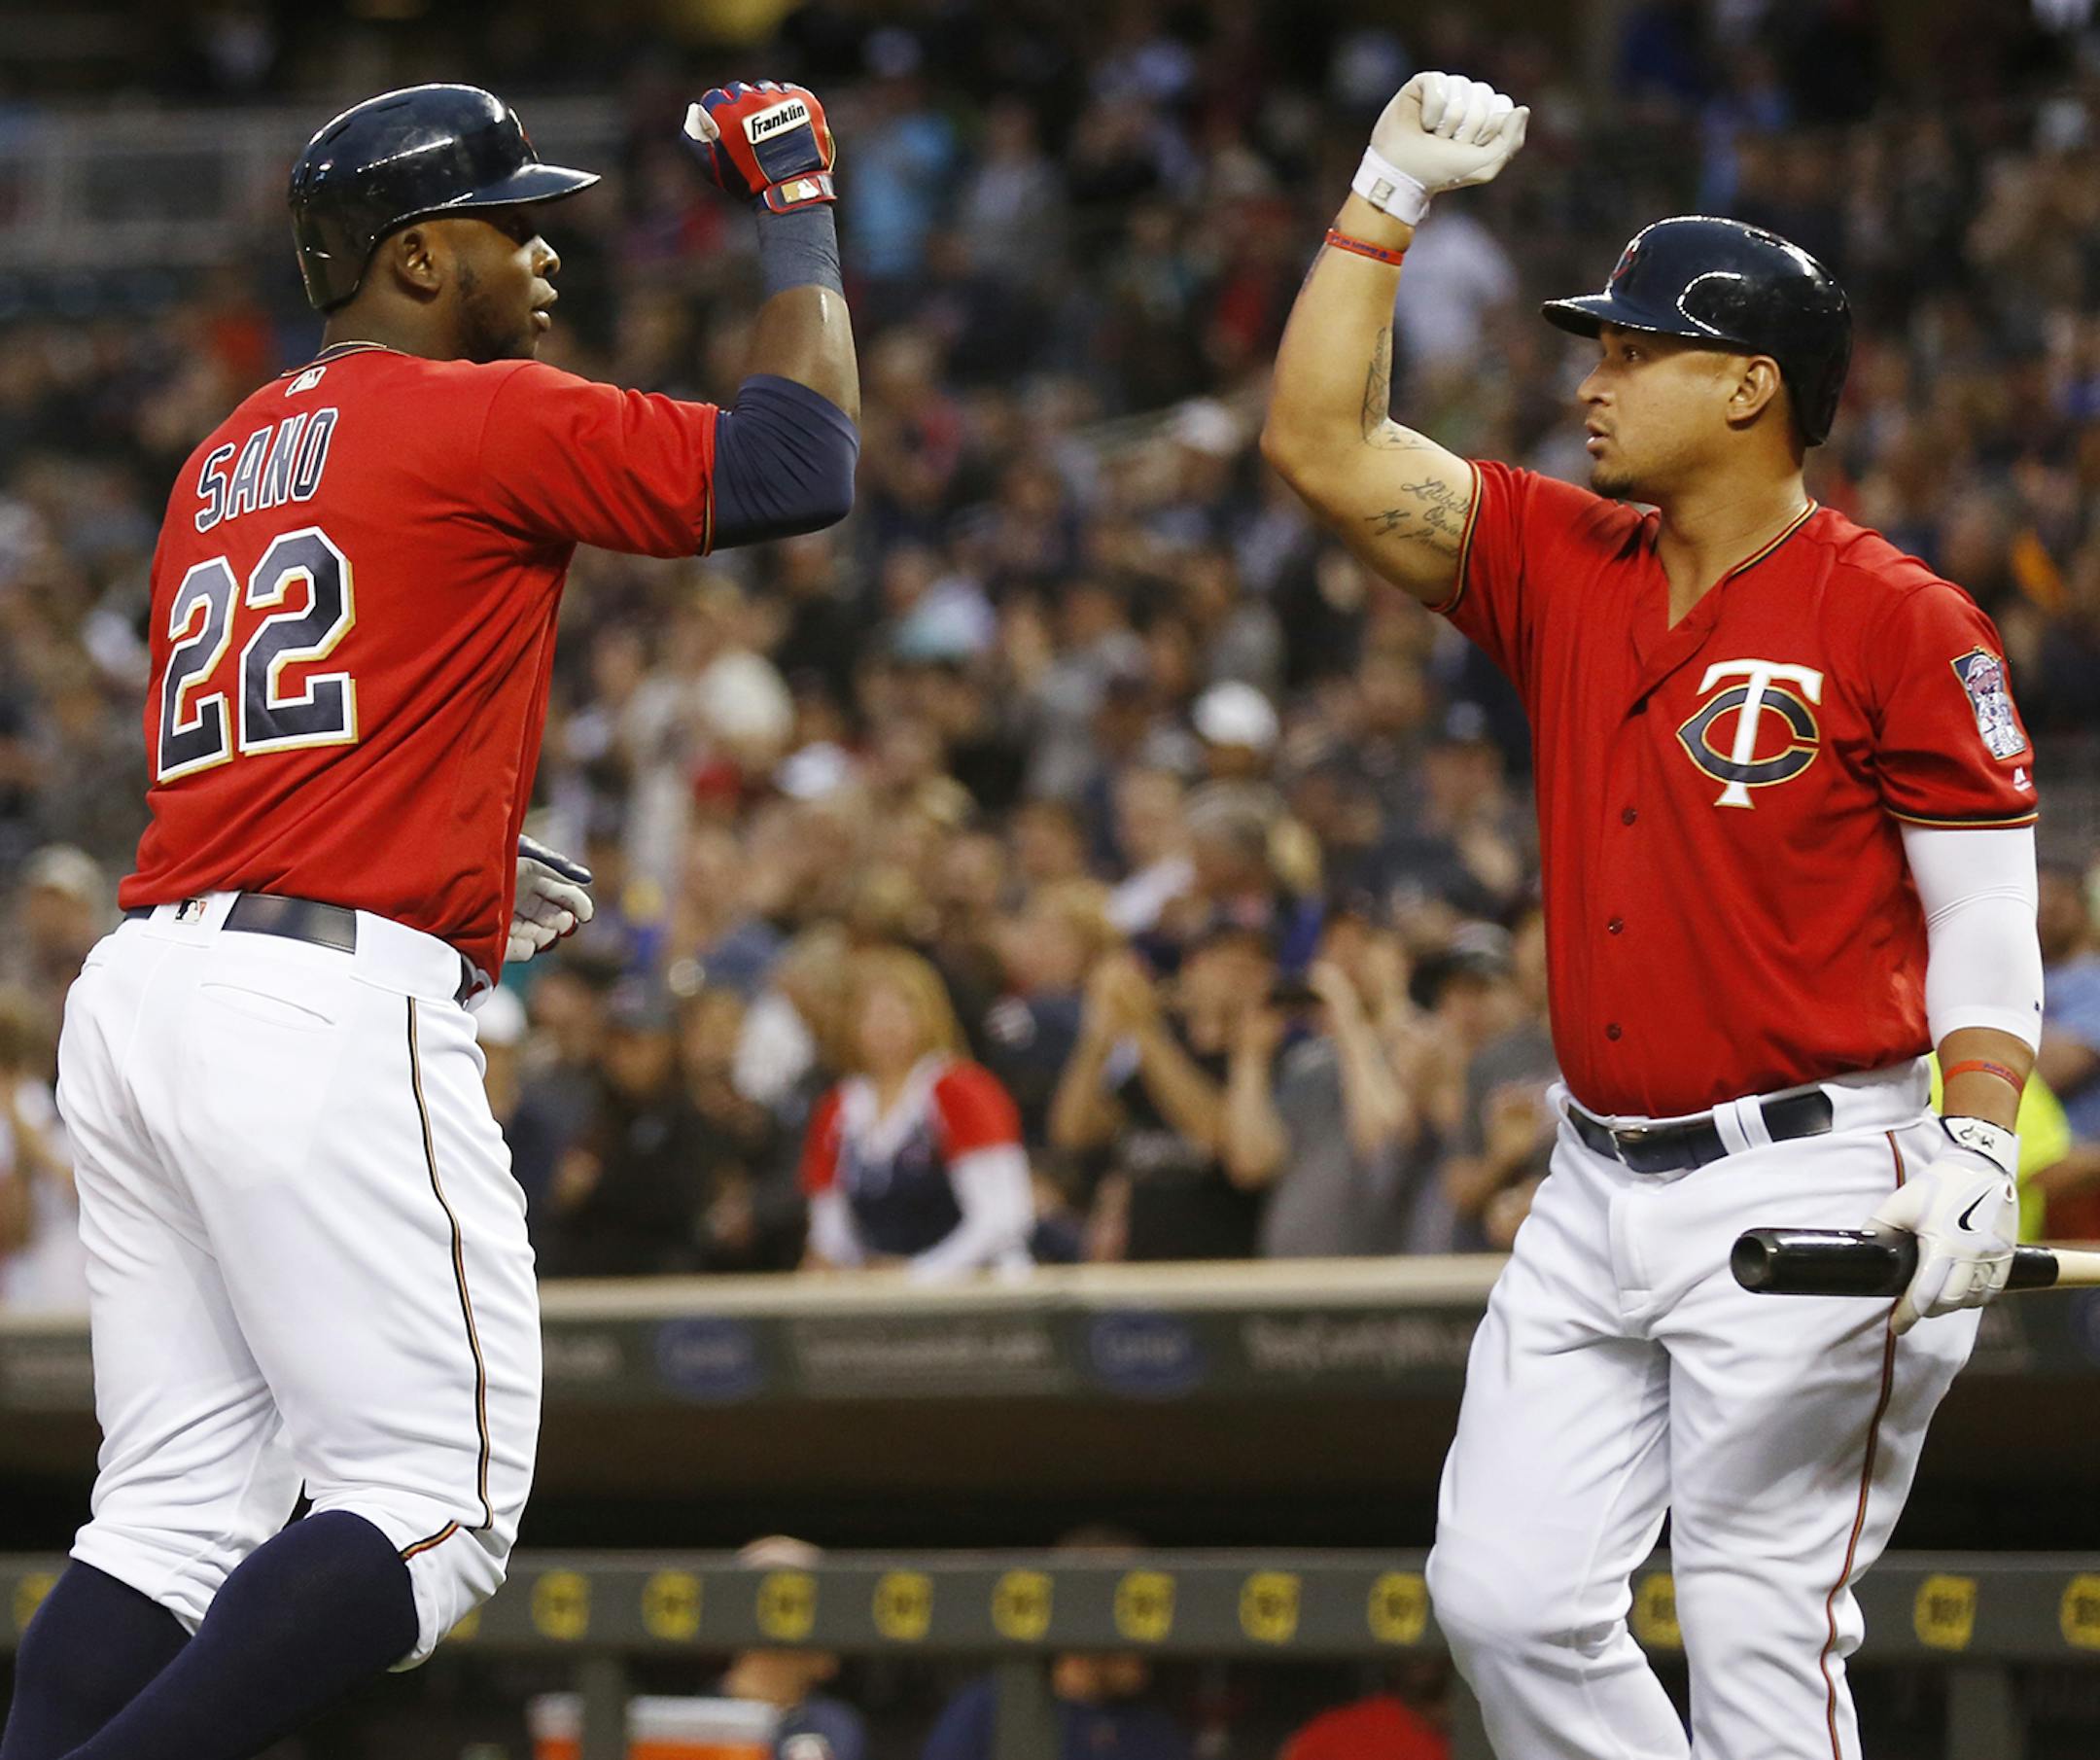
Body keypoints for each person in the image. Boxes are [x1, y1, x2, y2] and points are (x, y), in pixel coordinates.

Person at [8, 78, 858, 1760]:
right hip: (315, 1002)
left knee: (169, 1520)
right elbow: (798, 463)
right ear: (411, 259)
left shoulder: (224, 457)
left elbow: (322, 715)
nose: (544, 249)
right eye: (507, 222)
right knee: (429, 1504)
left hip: (156, 980)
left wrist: (460, 858)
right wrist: (800, 206)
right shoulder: (470, 412)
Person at [1263, 68, 2043, 1760]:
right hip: (1596, 1175)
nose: (1594, 376)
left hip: (1818, 1168)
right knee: (1504, 1600)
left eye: (1636, 348)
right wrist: (1382, 198)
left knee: (1764, 1644)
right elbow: (1322, 443)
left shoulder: (1899, 614)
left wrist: (1986, 1148)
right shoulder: (1565, 560)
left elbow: (1986, 922)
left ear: (1753, 383)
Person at [800, 946, 1033, 1277]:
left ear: (928, 1014)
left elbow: (1004, 1218)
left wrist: (918, 1274)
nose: (886, 1024)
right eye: (872, 1012)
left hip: (976, 1284)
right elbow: (830, 1233)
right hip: (883, 1290)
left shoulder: (960, 1091)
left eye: (901, 1008)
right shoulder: (839, 1108)